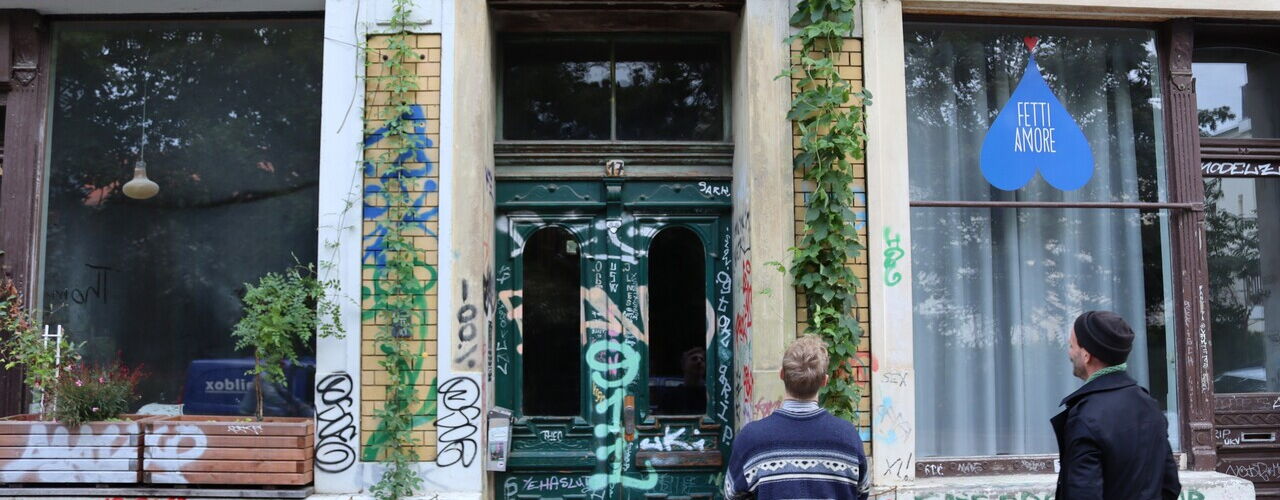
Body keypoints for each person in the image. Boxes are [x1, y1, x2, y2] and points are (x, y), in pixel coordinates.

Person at [724, 335, 870, 500]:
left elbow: (732, 495)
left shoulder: (751, 439)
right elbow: (862, 492)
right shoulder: (847, 436)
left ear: (781, 375)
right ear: (825, 381)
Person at [1053, 310, 1180, 499]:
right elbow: (1170, 487)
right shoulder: (1151, 407)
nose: (1069, 353)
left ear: (1086, 355)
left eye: (1072, 346)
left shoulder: (1085, 416)